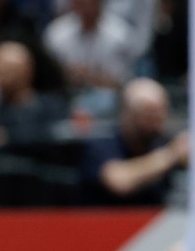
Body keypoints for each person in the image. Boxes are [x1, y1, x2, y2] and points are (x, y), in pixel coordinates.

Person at [78, 77, 188, 206]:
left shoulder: (162, 143)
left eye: (160, 113)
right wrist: (171, 155)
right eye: (147, 114)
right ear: (126, 113)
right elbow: (119, 181)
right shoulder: (102, 145)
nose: (155, 121)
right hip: (105, 222)